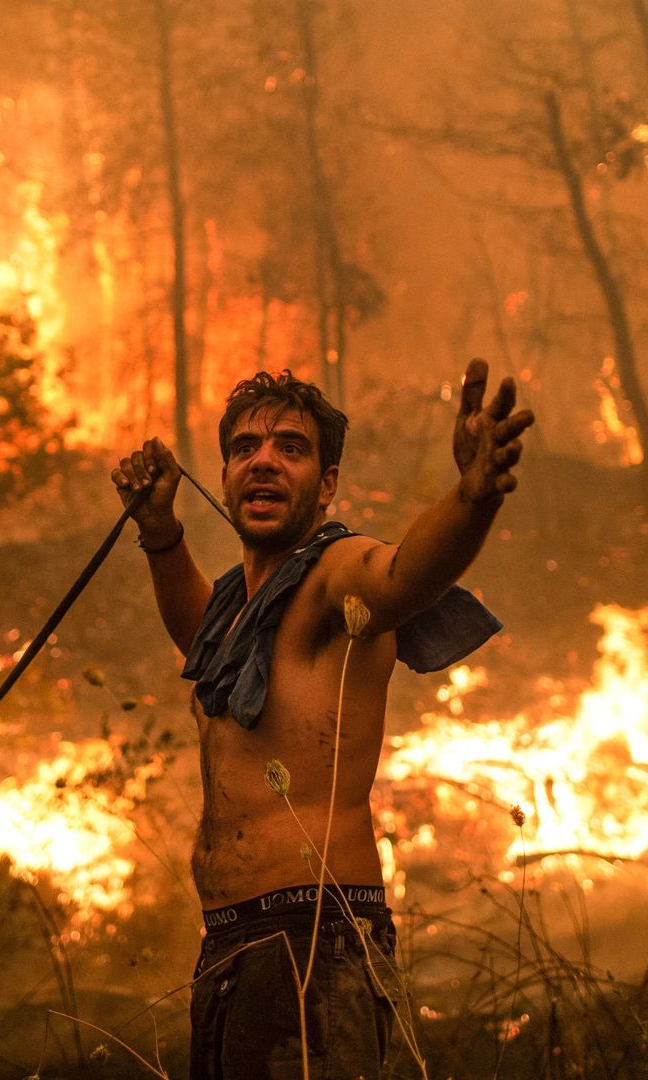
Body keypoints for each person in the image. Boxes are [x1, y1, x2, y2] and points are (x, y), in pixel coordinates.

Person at [111, 361, 533, 1078]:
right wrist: (160, 533)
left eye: (290, 447)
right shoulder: (235, 610)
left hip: (315, 938)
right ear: (224, 475)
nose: (264, 461)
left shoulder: (333, 575)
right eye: (246, 448)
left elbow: (402, 576)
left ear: (327, 483)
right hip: (230, 945)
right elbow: (200, 642)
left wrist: (471, 497)